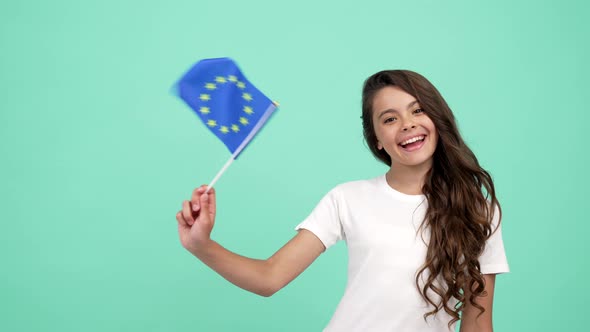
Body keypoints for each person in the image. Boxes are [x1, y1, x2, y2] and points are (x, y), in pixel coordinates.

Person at [176, 70, 509, 332]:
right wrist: (201, 245)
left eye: (418, 110)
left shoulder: (478, 211)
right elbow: (269, 278)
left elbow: (478, 323)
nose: (407, 124)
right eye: (389, 118)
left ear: (437, 118)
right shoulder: (348, 198)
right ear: (377, 140)